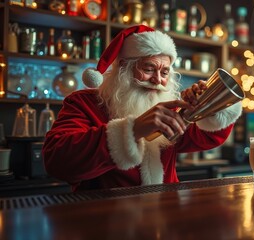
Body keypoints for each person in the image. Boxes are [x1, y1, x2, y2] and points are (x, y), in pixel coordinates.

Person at [42, 25, 242, 191]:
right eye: (148, 69)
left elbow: (209, 137)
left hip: (165, 216)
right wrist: (133, 130)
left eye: (164, 72)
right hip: (103, 220)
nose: (157, 80)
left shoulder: (169, 108)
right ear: (123, 68)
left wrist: (205, 106)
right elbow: (57, 161)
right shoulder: (84, 103)